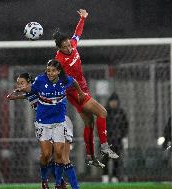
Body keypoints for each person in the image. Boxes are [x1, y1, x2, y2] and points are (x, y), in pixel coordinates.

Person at [54, 9, 118, 167]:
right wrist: (77, 91)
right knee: (102, 112)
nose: (69, 48)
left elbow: (77, 33)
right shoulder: (59, 60)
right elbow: (60, 80)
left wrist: (82, 18)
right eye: (65, 47)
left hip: (82, 88)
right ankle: (104, 147)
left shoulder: (73, 45)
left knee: (89, 123)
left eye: (69, 45)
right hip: (76, 92)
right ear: (59, 48)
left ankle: (90, 157)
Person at [16, 60, 84, 189]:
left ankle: (62, 184)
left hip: (61, 121)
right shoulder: (38, 84)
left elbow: (73, 82)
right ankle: (48, 180)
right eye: (48, 70)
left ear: (58, 71)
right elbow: (30, 94)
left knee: (61, 155)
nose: (50, 73)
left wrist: (80, 93)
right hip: (44, 124)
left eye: (53, 70)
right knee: (47, 155)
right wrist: (19, 93)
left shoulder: (63, 80)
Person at [102, 93, 128, 183]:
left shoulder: (121, 113)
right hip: (107, 139)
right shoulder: (104, 112)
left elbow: (125, 125)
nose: (113, 103)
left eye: (115, 101)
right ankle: (105, 177)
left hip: (117, 139)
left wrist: (124, 137)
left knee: (116, 159)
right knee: (105, 158)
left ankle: (114, 177)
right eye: (112, 101)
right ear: (109, 102)